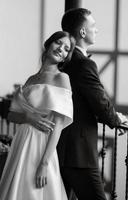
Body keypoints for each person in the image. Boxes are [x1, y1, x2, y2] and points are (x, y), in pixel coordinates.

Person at [57, 8, 128, 200]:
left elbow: (80, 100)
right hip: (78, 152)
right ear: (82, 32)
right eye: (93, 26)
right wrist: (115, 119)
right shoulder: (84, 64)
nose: (96, 30)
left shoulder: (63, 62)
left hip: (61, 147)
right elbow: (98, 100)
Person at [0, 31, 75, 200]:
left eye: (66, 49)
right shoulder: (30, 79)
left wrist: (44, 163)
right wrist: (28, 118)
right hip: (20, 142)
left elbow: (57, 126)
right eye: (58, 43)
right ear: (48, 45)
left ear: (65, 58)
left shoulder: (62, 78)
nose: (60, 49)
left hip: (41, 146)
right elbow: (12, 115)